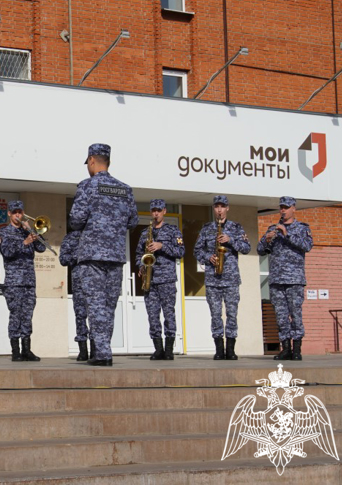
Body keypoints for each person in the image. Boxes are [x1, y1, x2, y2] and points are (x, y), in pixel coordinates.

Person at [69, 143, 138, 366]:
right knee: (108, 306)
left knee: (96, 304)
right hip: (116, 256)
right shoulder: (125, 189)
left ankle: (102, 354)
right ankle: (104, 348)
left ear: (91, 160)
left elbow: (76, 220)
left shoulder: (87, 186)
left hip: (92, 256)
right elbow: (133, 221)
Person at [194, 195, 251, 360]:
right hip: (213, 279)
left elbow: (247, 248)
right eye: (216, 206)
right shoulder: (206, 229)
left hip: (231, 279)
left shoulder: (236, 227)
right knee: (215, 314)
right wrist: (207, 258)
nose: (219, 210)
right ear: (214, 208)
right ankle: (219, 349)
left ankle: (231, 350)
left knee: (232, 314)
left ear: (227, 208)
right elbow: (197, 251)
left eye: (222, 206)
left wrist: (230, 240)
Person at [257, 196, 313, 361]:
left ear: (294, 208)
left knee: (295, 314)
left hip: (294, 279)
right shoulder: (272, 228)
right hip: (276, 280)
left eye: (286, 207)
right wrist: (267, 241)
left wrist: (287, 235)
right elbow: (260, 250)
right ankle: (286, 348)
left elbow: (307, 246)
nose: (283, 210)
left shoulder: (302, 228)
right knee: (280, 316)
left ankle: (297, 349)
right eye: (281, 207)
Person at [134, 199, 185, 360]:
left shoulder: (173, 231)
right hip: (150, 280)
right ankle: (158, 349)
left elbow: (181, 251)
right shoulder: (145, 233)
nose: (155, 213)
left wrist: (162, 246)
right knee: (152, 316)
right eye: (153, 211)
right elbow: (137, 255)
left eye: (158, 210)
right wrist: (141, 265)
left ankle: (169, 349)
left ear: (164, 211)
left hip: (167, 280)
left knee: (169, 314)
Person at [0, 200, 45, 362]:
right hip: (14, 281)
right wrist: (24, 243)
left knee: (27, 316)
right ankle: (15, 351)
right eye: (15, 212)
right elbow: (7, 252)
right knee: (15, 315)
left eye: (20, 212)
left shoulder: (27, 231)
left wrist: (31, 231)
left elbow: (42, 248)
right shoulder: (4, 232)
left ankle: (26, 349)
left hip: (29, 281)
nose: (18, 215)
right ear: (9, 214)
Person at [59, 229, 90, 361]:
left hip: (96, 283)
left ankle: (97, 349)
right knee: (80, 316)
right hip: (78, 284)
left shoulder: (94, 235)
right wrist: (77, 255)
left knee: (97, 317)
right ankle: (83, 350)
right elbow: (63, 259)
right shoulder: (70, 238)